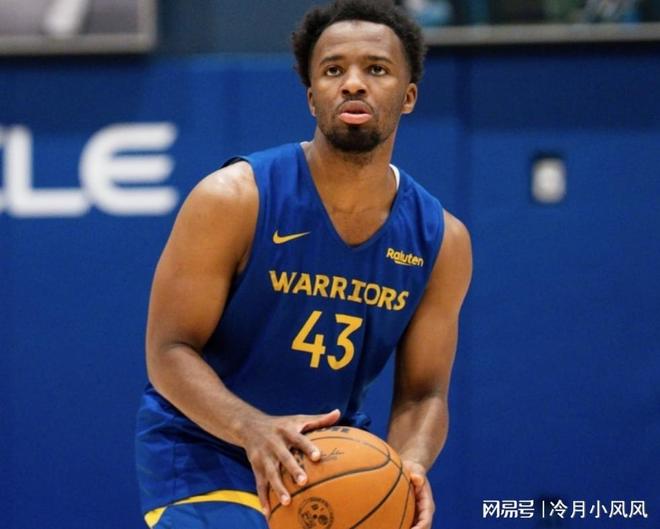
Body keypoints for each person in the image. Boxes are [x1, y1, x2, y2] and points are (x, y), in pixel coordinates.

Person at [135, 1, 472, 528]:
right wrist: (252, 427)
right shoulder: (234, 198)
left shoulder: (441, 240)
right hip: (208, 451)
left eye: (376, 69)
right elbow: (169, 350)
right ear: (312, 95)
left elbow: (424, 393)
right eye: (333, 70)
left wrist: (409, 467)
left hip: (327, 461)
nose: (353, 83)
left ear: (408, 96)